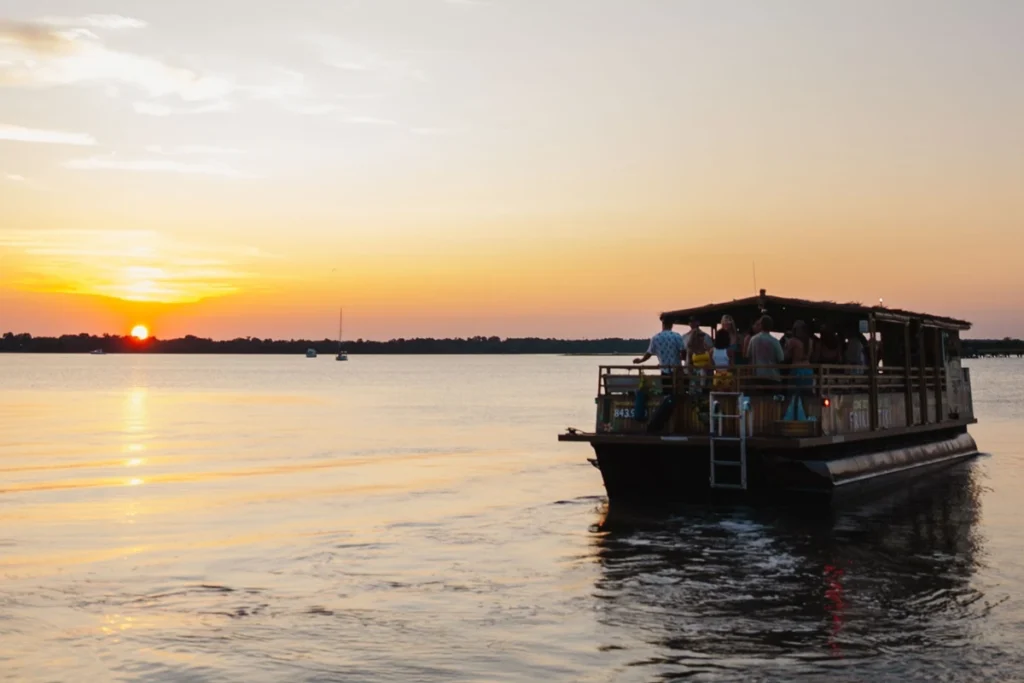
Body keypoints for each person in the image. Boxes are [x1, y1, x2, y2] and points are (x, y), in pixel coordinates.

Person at [747, 315, 784, 384]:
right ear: (771, 326)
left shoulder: (753, 339)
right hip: (772, 376)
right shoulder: (775, 341)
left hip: (757, 376)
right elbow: (781, 358)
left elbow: (748, 355)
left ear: (761, 325)